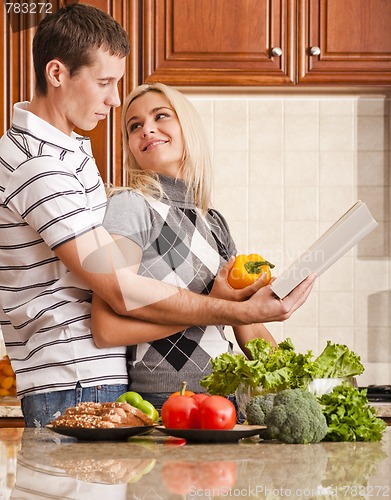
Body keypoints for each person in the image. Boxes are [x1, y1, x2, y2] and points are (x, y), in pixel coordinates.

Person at [0, 5, 315, 427]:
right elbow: (120, 293)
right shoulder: (40, 165)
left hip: (94, 375)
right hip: (73, 376)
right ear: (57, 74)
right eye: (105, 83)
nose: (114, 100)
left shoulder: (69, 152)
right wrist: (230, 309)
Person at [90, 83, 275, 409]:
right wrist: (213, 308)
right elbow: (107, 328)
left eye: (160, 116)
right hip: (164, 401)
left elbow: (247, 323)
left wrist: (296, 377)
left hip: (227, 399)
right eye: (135, 126)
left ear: (187, 127)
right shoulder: (130, 206)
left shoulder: (213, 220)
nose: (146, 129)